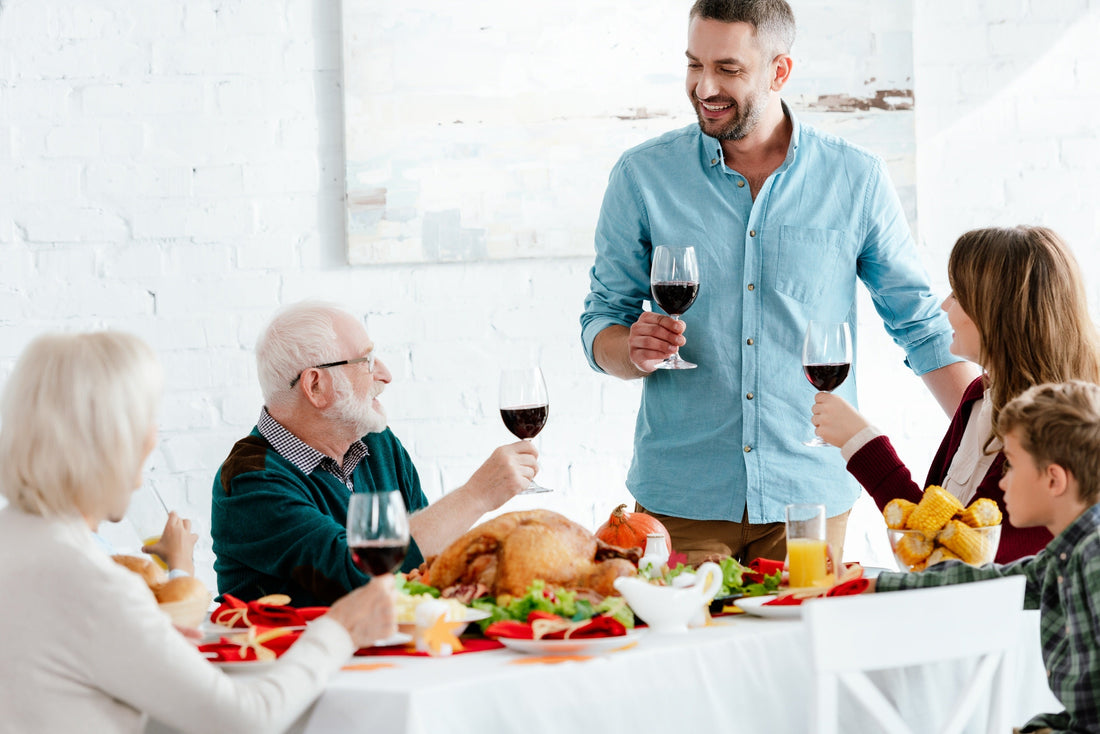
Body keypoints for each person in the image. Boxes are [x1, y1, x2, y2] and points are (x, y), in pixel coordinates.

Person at [579, 0, 975, 565]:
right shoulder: (643, 177)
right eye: (694, 64)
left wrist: (995, 435)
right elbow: (601, 320)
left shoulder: (855, 179)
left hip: (808, 499)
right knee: (687, 651)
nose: (704, 86)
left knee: (803, 653)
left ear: (779, 71)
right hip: (679, 501)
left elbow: (919, 324)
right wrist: (629, 351)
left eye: (729, 69)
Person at [0, 331, 397, 734]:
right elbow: (248, 719)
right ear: (110, 442)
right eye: (146, 420)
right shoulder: (93, 585)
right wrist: (340, 629)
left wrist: (149, 641)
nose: (154, 439)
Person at [211, 301, 538, 605]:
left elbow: (422, 568)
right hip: (297, 661)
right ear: (315, 386)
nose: (385, 374)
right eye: (366, 362)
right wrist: (477, 495)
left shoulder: (378, 444)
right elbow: (359, 578)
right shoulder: (249, 481)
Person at [813, 226, 1100, 562]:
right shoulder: (978, 397)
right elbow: (932, 532)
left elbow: (961, 560)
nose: (946, 305)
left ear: (997, 312)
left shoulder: (1055, 431)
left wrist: (863, 444)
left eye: (959, 295)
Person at [868, 380, 1100, 734]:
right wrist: (873, 584)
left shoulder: (1093, 557)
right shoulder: (1063, 558)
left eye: (1011, 465)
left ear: (1053, 480)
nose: (1001, 483)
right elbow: (988, 581)